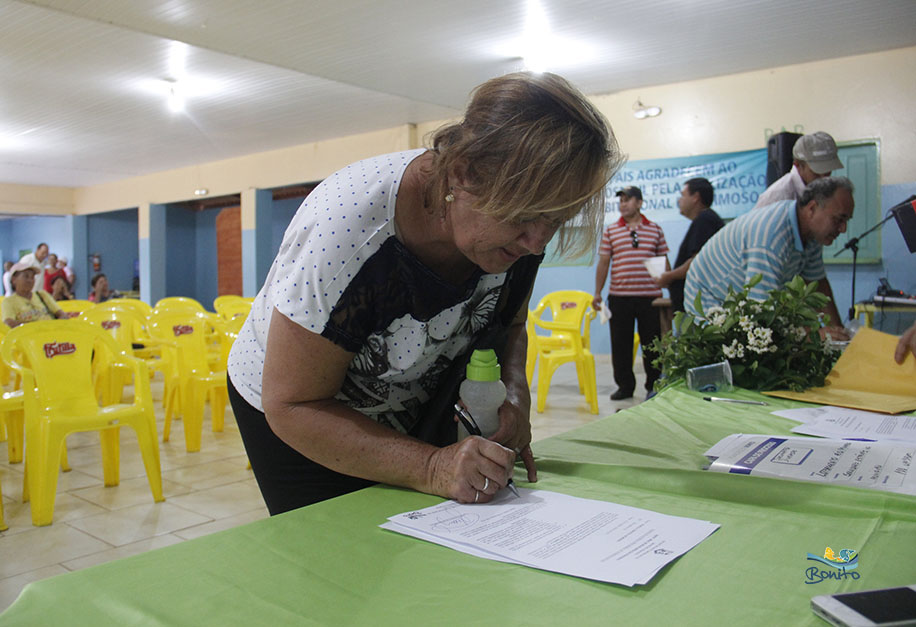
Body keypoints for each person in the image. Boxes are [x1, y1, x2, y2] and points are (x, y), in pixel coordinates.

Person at [227, 72, 623, 514]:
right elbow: (292, 404)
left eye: (556, 220)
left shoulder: (518, 232)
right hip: (302, 412)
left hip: (410, 390)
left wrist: (514, 398)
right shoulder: (348, 229)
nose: (537, 243)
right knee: (341, 539)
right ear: (462, 174)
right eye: (524, 217)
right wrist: (432, 466)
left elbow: (510, 325)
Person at [685, 177, 853, 341]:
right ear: (812, 208)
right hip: (709, 297)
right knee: (746, 346)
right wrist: (813, 336)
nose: (843, 229)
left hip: (739, 300)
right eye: (838, 219)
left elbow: (818, 285)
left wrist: (841, 336)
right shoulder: (771, 237)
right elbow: (762, 313)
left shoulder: (812, 235)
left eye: (846, 221)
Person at [592, 186, 669, 400]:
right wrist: (597, 292)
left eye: (627, 200)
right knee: (621, 345)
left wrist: (669, 287)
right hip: (619, 297)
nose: (623, 204)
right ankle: (625, 386)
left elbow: (663, 261)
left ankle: (654, 384)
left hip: (650, 298)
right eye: (621, 201)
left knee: (652, 344)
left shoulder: (655, 229)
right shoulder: (611, 230)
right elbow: (604, 262)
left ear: (639, 203)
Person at [655, 178, 725, 313]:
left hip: (698, 308)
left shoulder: (704, 220)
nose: (679, 200)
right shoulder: (704, 220)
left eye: (683, 195)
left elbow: (696, 261)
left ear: (695, 198)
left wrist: (669, 276)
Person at [754, 132, 843, 209]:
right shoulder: (777, 196)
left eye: (827, 171)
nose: (824, 178)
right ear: (797, 165)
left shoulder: (824, 191)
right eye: (817, 172)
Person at [1, 261, 68, 327]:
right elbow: (9, 323)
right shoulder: (8, 302)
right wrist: (37, 326)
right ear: (14, 280)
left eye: (32, 277)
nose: (30, 280)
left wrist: (57, 325)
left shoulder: (42, 295)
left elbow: (62, 314)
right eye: (26, 276)